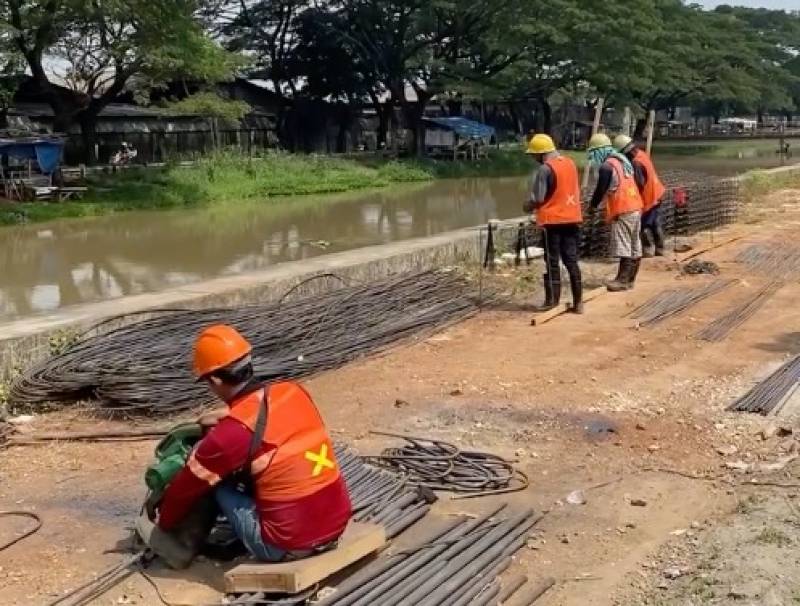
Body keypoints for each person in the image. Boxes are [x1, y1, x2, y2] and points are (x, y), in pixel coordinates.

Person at [155, 324, 352, 563]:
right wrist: (224, 416)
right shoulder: (293, 391)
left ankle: (189, 546)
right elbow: (262, 412)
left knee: (214, 482)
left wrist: (162, 525)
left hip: (287, 545)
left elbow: (183, 491)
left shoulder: (229, 435)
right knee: (264, 466)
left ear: (216, 379)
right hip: (337, 524)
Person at [523, 133, 584, 314]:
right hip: (572, 219)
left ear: (541, 153)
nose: (533, 158)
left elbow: (538, 198)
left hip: (553, 221)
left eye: (534, 155)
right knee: (571, 260)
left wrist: (526, 206)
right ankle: (579, 302)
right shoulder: (570, 163)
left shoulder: (545, 169)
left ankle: (552, 301)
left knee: (552, 261)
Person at [587, 133, 644, 292]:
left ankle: (622, 280)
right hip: (635, 206)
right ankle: (631, 279)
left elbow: (600, 190)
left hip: (623, 209)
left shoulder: (607, 166)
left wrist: (592, 207)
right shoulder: (622, 161)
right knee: (634, 244)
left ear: (599, 151)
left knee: (624, 244)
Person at [613, 135, 666, 257]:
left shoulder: (636, 163)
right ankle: (660, 248)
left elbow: (639, 184)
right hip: (656, 193)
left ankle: (647, 249)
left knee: (642, 225)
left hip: (647, 198)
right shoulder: (642, 154)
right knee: (656, 223)